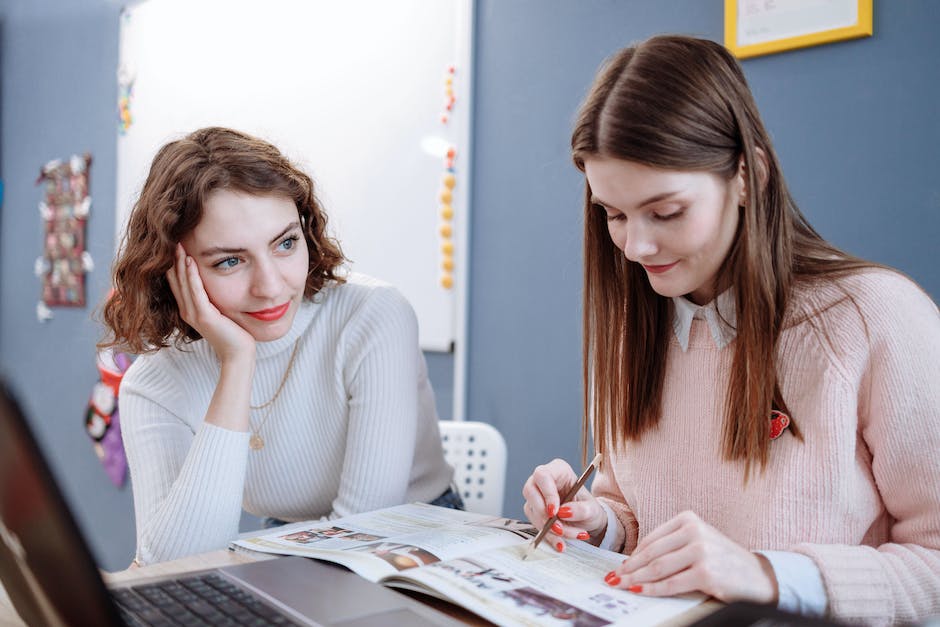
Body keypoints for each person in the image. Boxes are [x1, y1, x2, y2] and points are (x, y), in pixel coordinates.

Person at [521, 35, 940, 625]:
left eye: (666, 212)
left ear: (748, 176)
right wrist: (601, 522)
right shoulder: (637, 331)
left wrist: (767, 574)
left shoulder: (876, 319)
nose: (636, 248)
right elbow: (642, 512)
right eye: (613, 215)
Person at [100, 127, 460, 566]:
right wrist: (237, 362)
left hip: (417, 544)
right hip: (293, 543)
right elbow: (174, 569)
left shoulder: (373, 316)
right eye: (230, 261)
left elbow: (366, 529)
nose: (271, 287)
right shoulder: (154, 384)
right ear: (171, 268)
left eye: (285, 243)